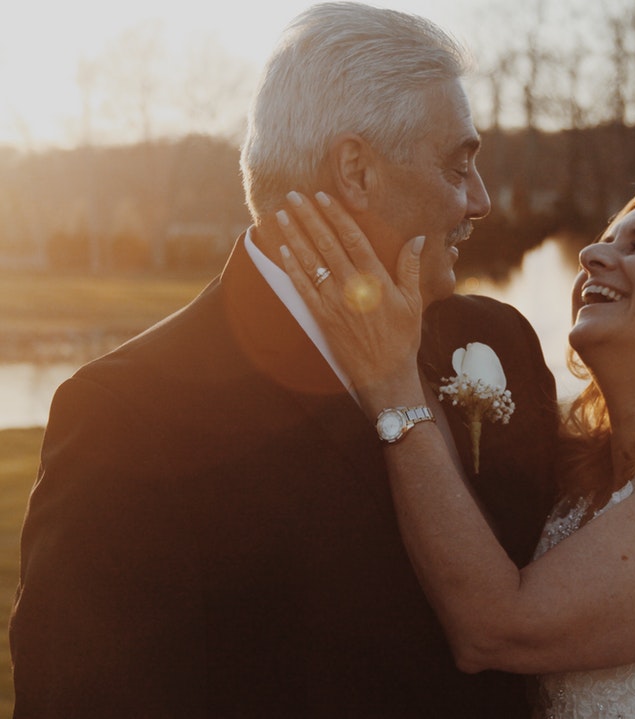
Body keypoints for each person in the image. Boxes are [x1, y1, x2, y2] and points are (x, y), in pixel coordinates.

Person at [9, 4, 558, 717]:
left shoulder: (500, 344)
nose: (479, 201)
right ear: (356, 171)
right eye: (459, 166)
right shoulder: (131, 414)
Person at [274, 172, 635, 718]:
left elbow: (497, 627)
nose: (591, 256)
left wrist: (390, 380)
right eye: (605, 240)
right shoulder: (574, 490)